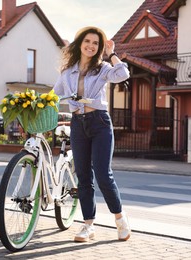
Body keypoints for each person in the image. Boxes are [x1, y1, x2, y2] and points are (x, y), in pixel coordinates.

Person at [53, 26, 131, 242]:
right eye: (87, 41)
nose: (91, 45)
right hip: (78, 124)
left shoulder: (104, 68)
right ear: (80, 43)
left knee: (104, 175)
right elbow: (54, 95)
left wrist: (112, 53)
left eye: (96, 43)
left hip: (100, 124)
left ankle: (120, 219)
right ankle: (88, 226)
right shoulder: (68, 72)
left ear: (99, 48)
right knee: (84, 177)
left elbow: (123, 74)